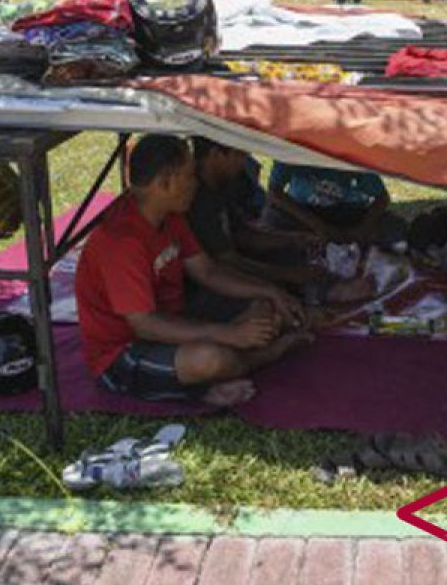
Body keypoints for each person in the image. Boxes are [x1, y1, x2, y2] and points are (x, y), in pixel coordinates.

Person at [75, 135, 310, 406]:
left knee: (264, 307)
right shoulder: (120, 241)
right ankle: (261, 357)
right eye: (189, 176)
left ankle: (237, 359)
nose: (196, 184)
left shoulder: (169, 215)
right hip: (123, 352)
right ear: (165, 183)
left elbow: (207, 272)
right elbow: (146, 326)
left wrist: (271, 290)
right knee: (212, 359)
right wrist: (229, 334)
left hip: (174, 318)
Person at [188, 138, 373, 304]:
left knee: (290, 252)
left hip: (238, 262)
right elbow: (228, 263)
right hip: (217, 281)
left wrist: (295, 238)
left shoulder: (220, 187)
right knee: (264, 301)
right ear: (215, 154)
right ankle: (317, 292)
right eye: (240, 155)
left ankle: (319, 287)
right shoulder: (199, 201)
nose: (244, 162)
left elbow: (245, 235)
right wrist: (287, 274)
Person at [265, 161, 404, 247]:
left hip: (347, 214)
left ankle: (329, 241)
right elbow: (274, 192)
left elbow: (382, 198)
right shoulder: (293, 146)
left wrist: (361, 229)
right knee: (271, 219)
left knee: (394, 226)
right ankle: (311, 242)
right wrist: (318, 226)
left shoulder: (351, 152)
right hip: (302, 214)